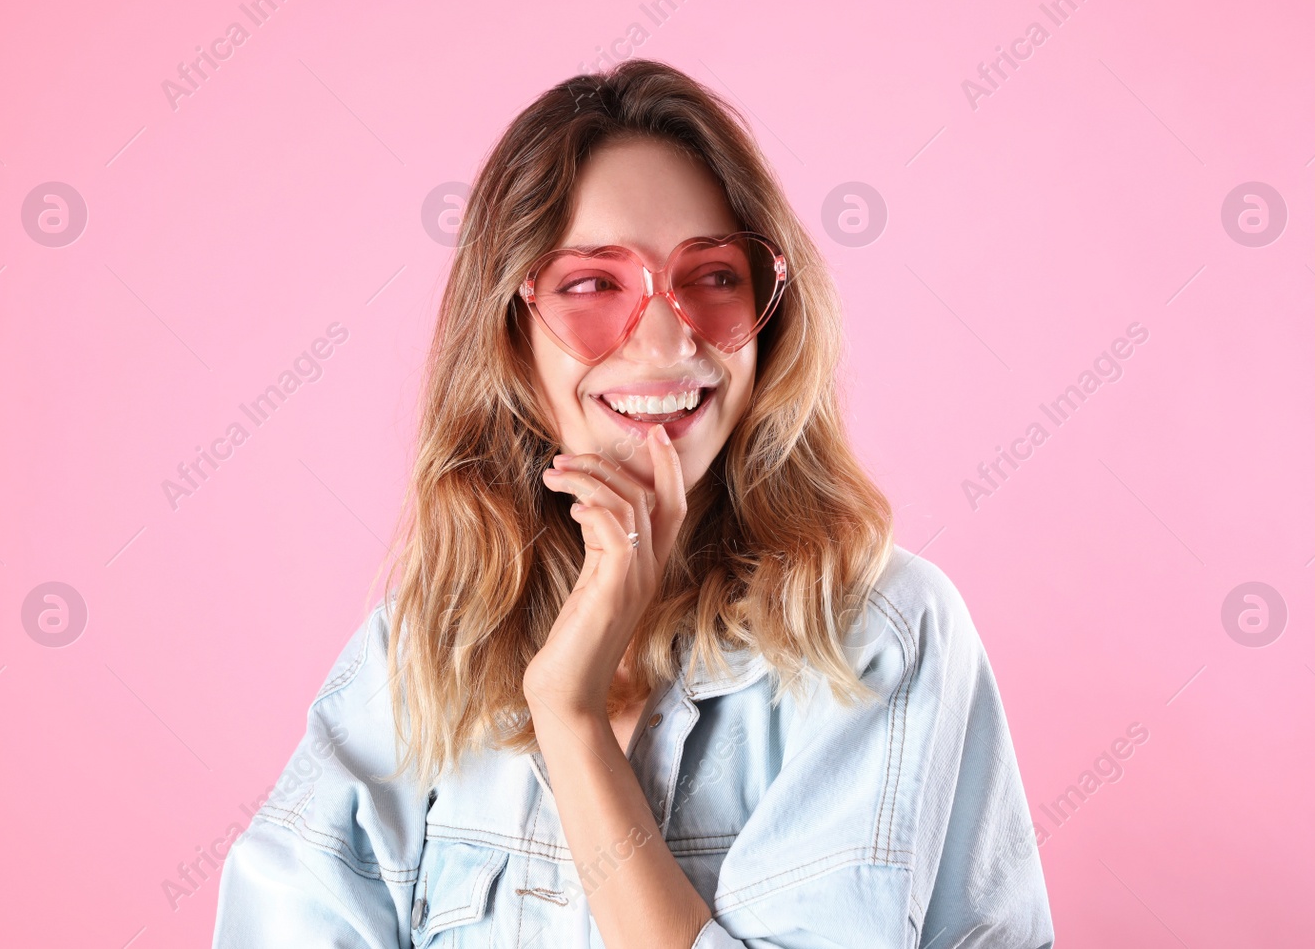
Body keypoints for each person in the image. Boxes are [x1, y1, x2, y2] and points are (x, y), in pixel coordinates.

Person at [211, 59, 1054, 948]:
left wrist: (569, 718)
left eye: (716, 277)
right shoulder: (417, 656)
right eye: (591, 285)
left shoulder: (876, 635)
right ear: (511, 341)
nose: (665, 333)